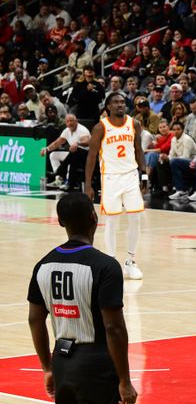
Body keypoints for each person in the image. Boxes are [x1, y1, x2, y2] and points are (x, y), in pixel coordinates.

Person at [27, 192, 137, 404]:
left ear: (60, 221)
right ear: (93, 218)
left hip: (61, 362)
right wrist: (125, 380)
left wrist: (48, 367)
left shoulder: (43, 265)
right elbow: (113, 328)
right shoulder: (105, 266)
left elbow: (34, 320)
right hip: (96, 366)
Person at [85, 93, 145, 280]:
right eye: (116, 102)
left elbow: (138, 150)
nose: (120, 105)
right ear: (108, 107)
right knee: (112, 221)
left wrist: (144, 175)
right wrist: (88, 185)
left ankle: (130, 260)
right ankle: (111, 261)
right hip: (110, 178)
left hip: (131, 176)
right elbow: (92, 156)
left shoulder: (133, 124)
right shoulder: (100, 127)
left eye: (122, 102)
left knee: (135, 218)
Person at [41, 114, 91, 191]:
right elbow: (57, 143)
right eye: (68, 121)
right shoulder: (67, 131)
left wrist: (78, 143)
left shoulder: (82, 130)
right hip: (73, 154)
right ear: (65, 123)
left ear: (76, 121)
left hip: (85, 155)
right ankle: (59, 179)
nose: (70, 123)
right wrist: (47, 149)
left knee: (74, 153)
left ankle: (63, 176)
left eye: (72, 121)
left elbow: (87, 141)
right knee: (53, 155)